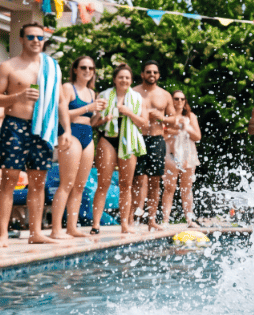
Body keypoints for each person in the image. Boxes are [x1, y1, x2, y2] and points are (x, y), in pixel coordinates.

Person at [0, 23, 72, 247]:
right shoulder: (8, 67)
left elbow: (60, 102)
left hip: (44, 128)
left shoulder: (51, 67)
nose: (36, 40)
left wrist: (65, 130)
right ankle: (2, 235)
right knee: (9, 179)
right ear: (21, 39)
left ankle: (35, 233)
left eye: (40, 37)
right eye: (31, 37)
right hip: (15, 125)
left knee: (39, 182)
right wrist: (16, 97)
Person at [50, 56, 106, 238]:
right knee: (67, 183)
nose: (87, 71)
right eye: (83, 67)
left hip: (87, 134)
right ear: (75, 69)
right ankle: (56, 229)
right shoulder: (68, 88)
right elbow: (62, 112)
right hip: (70, 133)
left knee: (80, 185)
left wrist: (101, 117)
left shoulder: (92, 92)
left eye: (91, 68)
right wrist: (88, 107)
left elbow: (92, 120)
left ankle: (71, 227)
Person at [91, 64, 148, 235]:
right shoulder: (104, 96)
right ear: (115, 79)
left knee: (126, 184)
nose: (124, 80)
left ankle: (125, 224)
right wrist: (105, 118)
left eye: (127, 78)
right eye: (121, 77)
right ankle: (95, 225)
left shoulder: (138, 98)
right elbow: (94, 122)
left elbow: (144, 124)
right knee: (103, 183)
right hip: (108, 139)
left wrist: (129, 113)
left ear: (131, 80)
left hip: (128, 141)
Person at [131, 61, 175, 231]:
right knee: (135, 180)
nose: (152, 75)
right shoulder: (133, 92)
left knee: (154, 182)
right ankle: (131, 218)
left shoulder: (165, 95)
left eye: (155, 72)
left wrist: (161, 117)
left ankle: (151, 220)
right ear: (142, 74)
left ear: (158, 75)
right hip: (137, 138)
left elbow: (174, 118)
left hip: (156, 139)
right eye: (148, 72)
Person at [161, 90, 201, 227]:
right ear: (171, 100)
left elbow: (197, 137)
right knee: (169, 188)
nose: (179, 101)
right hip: (170, 154)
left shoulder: (190, 116)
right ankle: (165, 220)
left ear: (185, 102)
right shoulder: (166, 116)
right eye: (176, 99)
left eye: (182, 99)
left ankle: (189, 219)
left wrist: (186, 128)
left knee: (187, 188)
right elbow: (162, 135)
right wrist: (176, 131)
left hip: (187, 154)